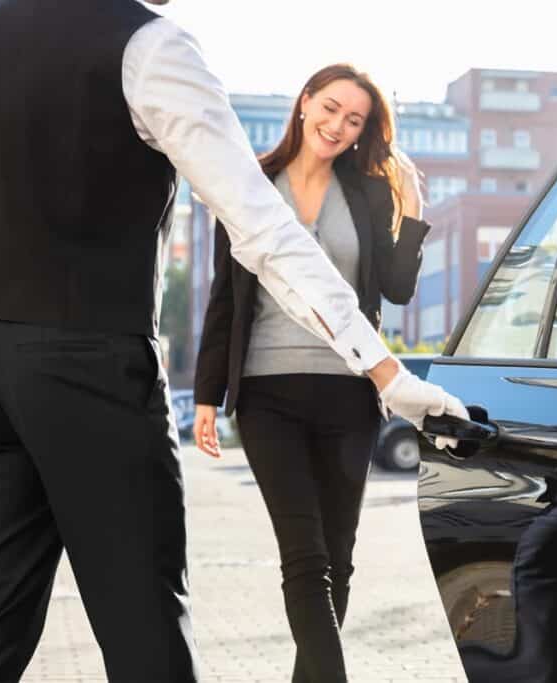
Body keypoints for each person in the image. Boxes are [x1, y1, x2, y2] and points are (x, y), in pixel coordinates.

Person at [0, 1, 465, 681]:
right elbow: (265, 229)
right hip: (88, 368)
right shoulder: (149, 45)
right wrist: (390, 375)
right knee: (145, 626)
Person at [191, 64, 430, 682]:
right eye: (330, 108)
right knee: (305, 559)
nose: (338, 126)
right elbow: (226, 296)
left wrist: (410, 207)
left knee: (338, 561)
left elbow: (399, 290)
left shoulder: (369, 193)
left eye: (354, 120)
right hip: (268, 396)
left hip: (350, 394)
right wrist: (207, 396)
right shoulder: (250, 186)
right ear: (304, 103)